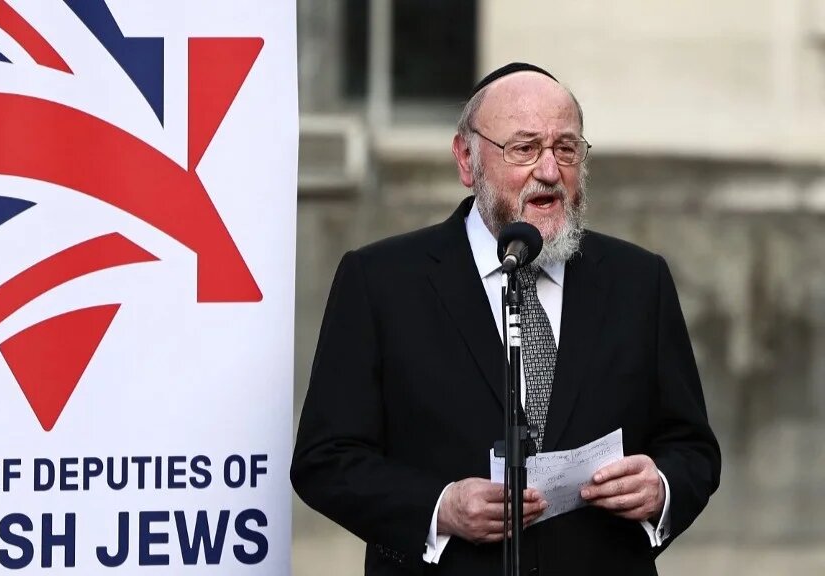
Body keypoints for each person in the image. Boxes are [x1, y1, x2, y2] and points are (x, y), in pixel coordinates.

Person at [290, 62, 721, 575]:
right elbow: (325, 459)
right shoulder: (381, 281)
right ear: (466, 160)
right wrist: (439, 507)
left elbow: (691, 447)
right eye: (524, 148)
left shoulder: (637, 280)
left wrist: (662, 488)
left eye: (566, 149)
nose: (549, 171)